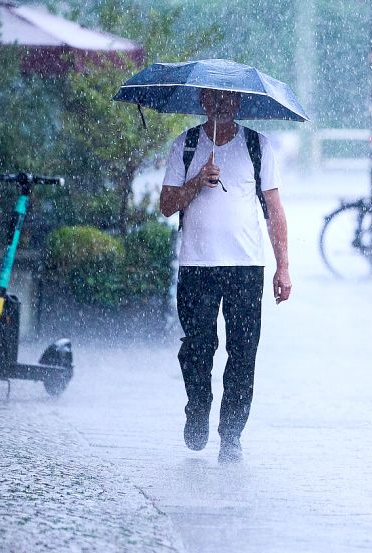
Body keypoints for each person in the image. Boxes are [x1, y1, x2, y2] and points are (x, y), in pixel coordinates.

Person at [159, 88, 291, 463]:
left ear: (239, 103)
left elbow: (275, 211)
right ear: (202, 101)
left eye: (229, 99)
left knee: (243, 353)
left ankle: (231, 434)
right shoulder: (185, 144)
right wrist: (197, 181)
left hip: (245, 266)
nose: (221, 105)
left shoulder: (257, 145)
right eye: (213, 98)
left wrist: (283, 267)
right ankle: (198, 407)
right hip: (196, 265)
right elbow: (167, 205)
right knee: (198, 348)